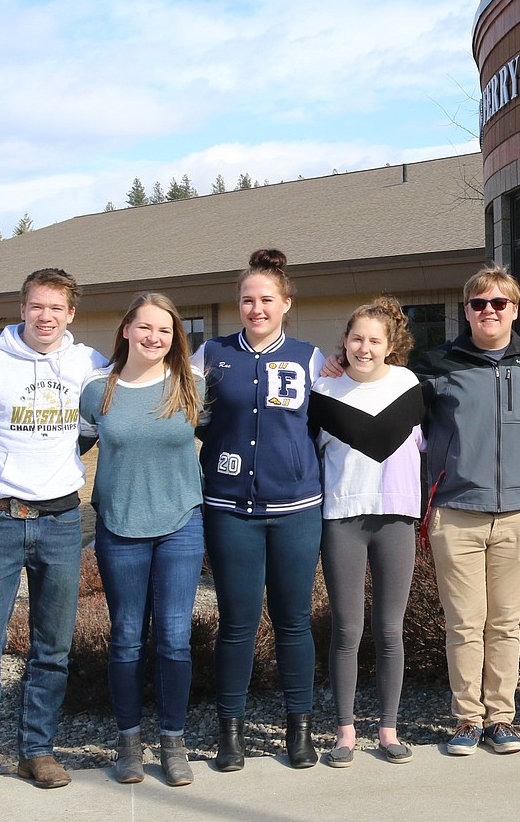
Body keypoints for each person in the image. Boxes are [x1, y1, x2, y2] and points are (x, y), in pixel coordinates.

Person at [0, 268, 107, 807]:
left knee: (52, 649)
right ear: (22, 309)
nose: (45, 317)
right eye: (37, 306)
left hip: (61, 523)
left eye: (56, 308)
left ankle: (37, 751)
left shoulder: (86, 364)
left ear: (71, 314)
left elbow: (123, 394)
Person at [416, 266, 520, 755]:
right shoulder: (436, 364)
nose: (489, 311)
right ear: (467, 310)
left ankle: (501, 718)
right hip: (456, 512)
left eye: (499, 303)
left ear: (515, 310)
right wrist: (338, 366)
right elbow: (385, 395)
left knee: (505, 623)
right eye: (479, 304)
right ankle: (466, 720)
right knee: (464, 623)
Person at [192, 249, 324, 771]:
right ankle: (231, 732)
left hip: (295, 510)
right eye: (248, 299)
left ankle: (300, 728)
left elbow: (331, 423)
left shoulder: (312, 358)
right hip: (229, 510)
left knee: (293, 622)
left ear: (286, 303)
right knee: (237, 623)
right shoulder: (212, 355)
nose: (256, 308)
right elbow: (180, 409)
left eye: (267, 299)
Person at [79, 293, 206, 786]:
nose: (156, 338)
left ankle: (173, 742)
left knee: (175, 641)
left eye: (166, 330)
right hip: (119, 527)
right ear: (127, 329)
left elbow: (227, 435)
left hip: (181, 525)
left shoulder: (192, 385)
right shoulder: (98, 390)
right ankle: (128, 743)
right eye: (146, 327)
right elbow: (65, 449)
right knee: (128, 640)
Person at [308, 297, 424, 767]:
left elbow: (430, 447)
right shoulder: (324, 389)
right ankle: (345, 732)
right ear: (344, 341)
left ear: (390, 344)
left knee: (390, 628)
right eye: (356, 338)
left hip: (396, 517)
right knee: (348, 629)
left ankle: (389, 729)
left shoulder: (410, 386)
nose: (364, 347)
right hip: (343, 519)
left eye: (375, 340)